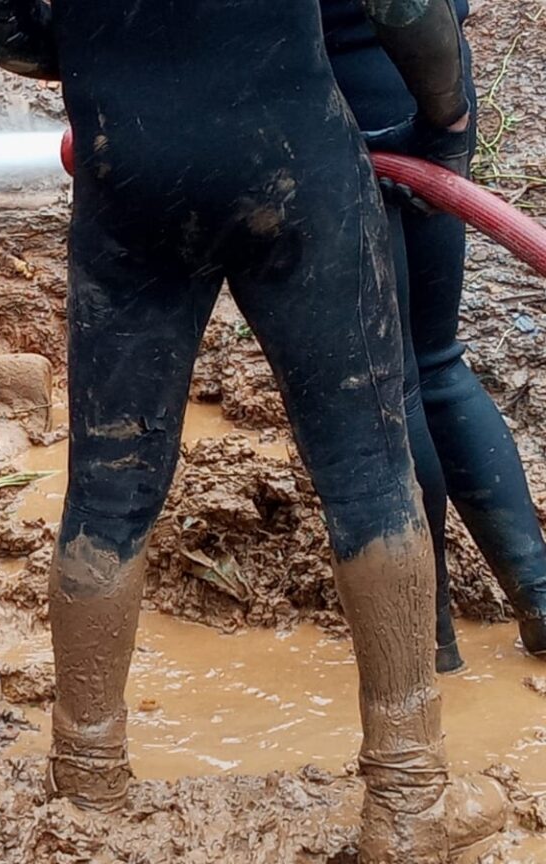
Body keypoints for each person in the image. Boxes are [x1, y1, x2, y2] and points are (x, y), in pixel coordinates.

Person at [0, 0, 506, 860]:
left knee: (107, 483)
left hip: (127, 171)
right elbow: (406, 7)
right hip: (292, 162)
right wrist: (448, 119)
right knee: (365, 465)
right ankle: (407, 797)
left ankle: (88, 782)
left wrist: (135, 61)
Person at [321, 0, 546, 674]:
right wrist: (446, 122)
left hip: (321, 105)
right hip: (425, 78)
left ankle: (426, 640)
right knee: (436, 360)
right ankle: (538, 597)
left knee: (387, 384)